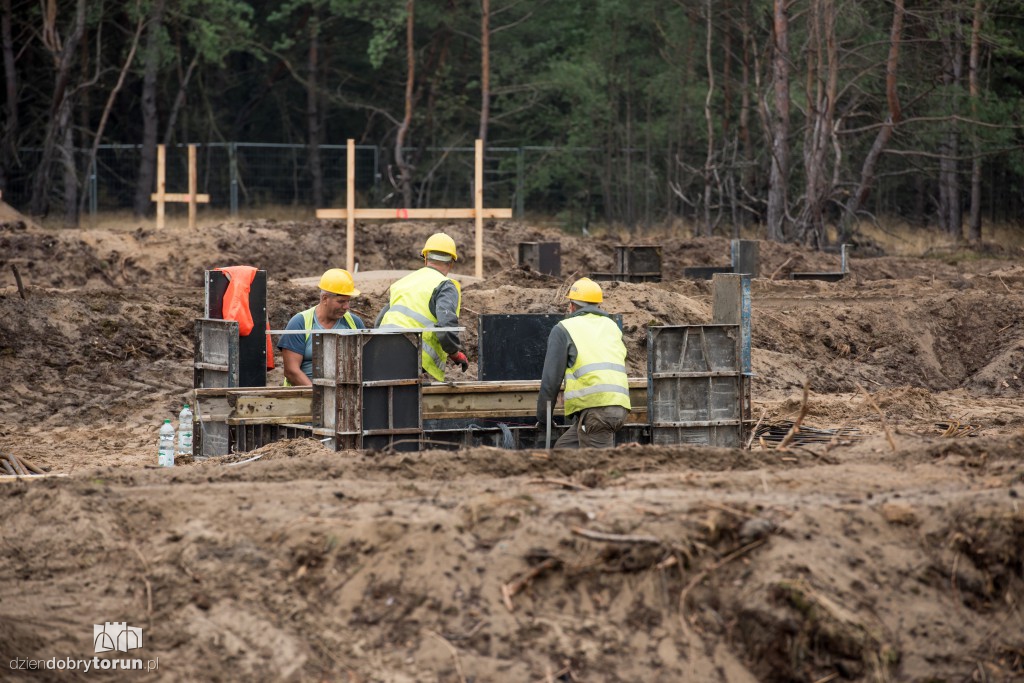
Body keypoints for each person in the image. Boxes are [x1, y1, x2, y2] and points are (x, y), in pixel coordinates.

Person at [536, 277, 631, 448]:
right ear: (597, 305)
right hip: (615, 406)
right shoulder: (611, 326)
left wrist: (544, 419)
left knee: (598, 469)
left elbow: (550, 383)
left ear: (572, 305)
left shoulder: (564, 328)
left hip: (597, 410)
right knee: (564, 450)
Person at [375, 232, 469, 381]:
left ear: (425, 258)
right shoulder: (445, 285)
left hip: (383, 350)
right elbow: (445, 327)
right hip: (412, 354)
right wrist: (455, 353)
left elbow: (380, 320)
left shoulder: (403, 282)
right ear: (451, 262)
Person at [278, 268, 365, 386]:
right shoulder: (300, 323)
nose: (346, 306)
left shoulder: (354, 323)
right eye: (341, 301)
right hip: (305, 398)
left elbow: (365, 364)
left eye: (348, 301)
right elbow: (291, 372)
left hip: (346, 398)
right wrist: (319, 396)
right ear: (324, 298)